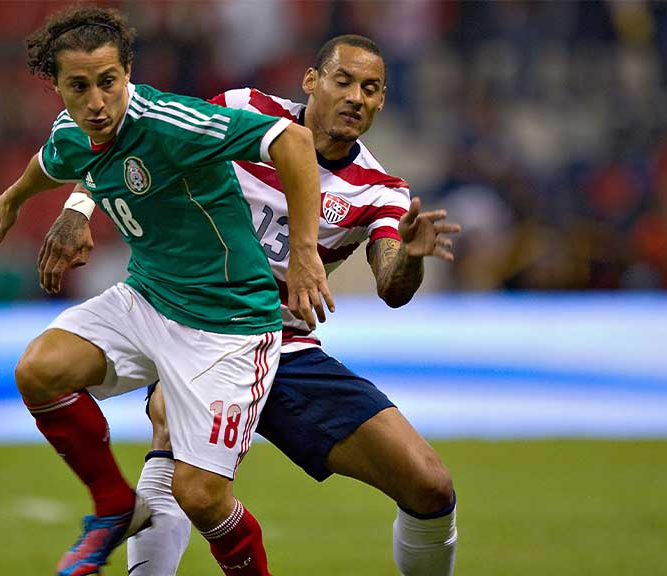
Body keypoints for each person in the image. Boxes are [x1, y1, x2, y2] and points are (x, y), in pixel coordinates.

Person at [41, 35, 461, 575]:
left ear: (382, 102)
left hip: (285, 347)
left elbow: (392, 285)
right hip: (200, 326)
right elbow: (140, 137)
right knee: (171, 428)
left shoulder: (381, 191)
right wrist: (80, 205)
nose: (356, 96)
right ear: (311, 81)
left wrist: (412, 256)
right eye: (344, 81)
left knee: (430, 484)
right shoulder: (245, 111)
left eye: (371, 89)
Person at [0, 7, 334, 576]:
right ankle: (114, 505)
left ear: (128, 73)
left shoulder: (172, 123)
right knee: (39, 370)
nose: (96, 101)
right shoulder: (74, 131)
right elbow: (49, 161)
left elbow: (292, 141)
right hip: (148, 298)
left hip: (229, 325)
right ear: (57, 87)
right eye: (79, 87)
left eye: (108, 83)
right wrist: (15, 196)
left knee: (199, 496)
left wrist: (303, 251)